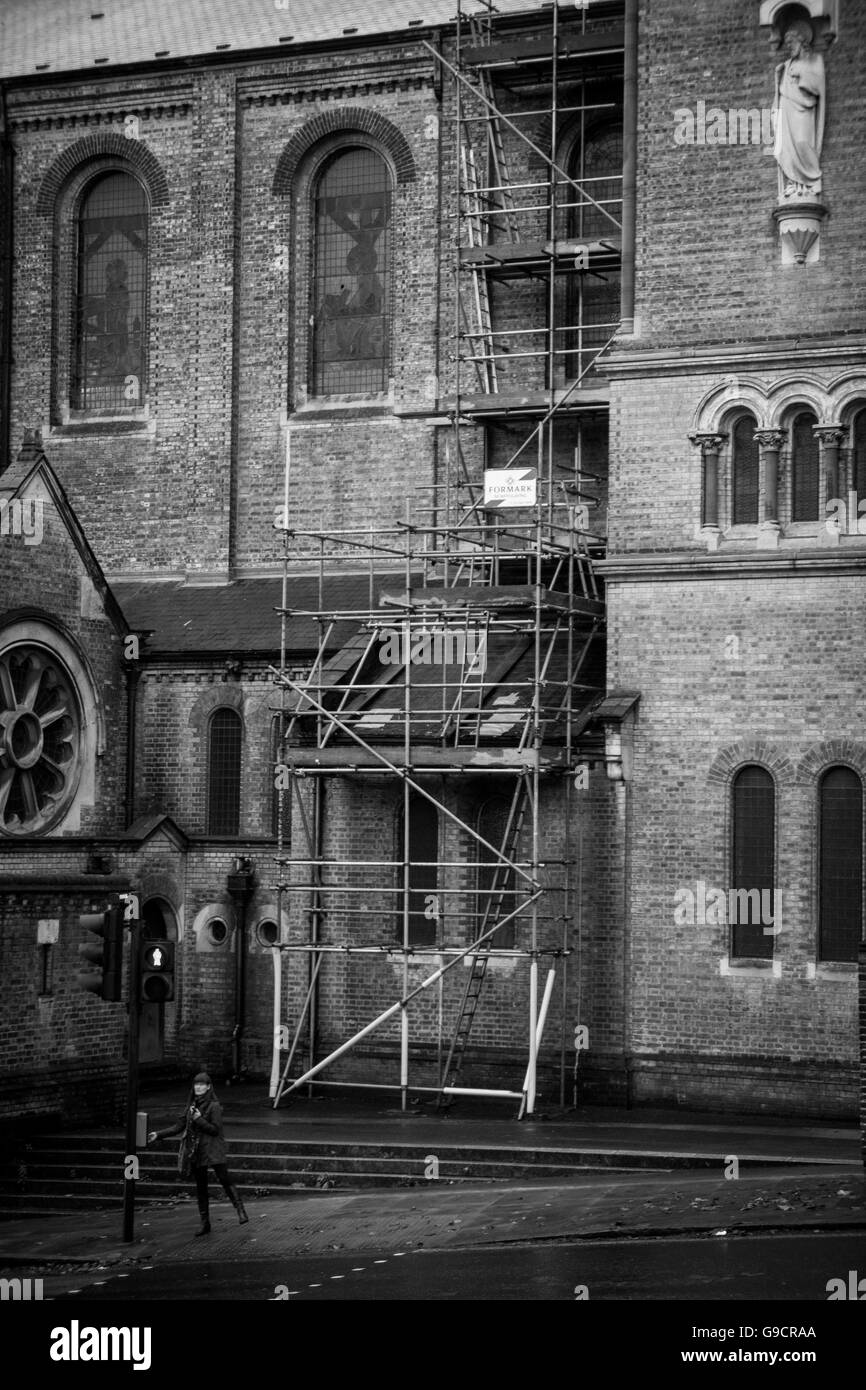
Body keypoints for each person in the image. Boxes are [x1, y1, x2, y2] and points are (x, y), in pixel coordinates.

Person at [148, 1072, 248, 1235]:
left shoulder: (214, 1106)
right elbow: (178, 1127)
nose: (198, 1087)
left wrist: (199, 1119)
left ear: (208, 1087)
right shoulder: (191, 1106)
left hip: (214, 1148)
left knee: (224, 1178)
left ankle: (240, 1210)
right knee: (201, 1187)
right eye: (196, 1084)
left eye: (202, 1084)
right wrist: (158, 1134)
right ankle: (205, 1222)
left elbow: (215, 1130)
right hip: (197, 1150)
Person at [773, 20, 826, 200]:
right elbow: (781, 88)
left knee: (803, 142)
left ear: (802, 41)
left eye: (791, 43)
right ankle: (794, 183)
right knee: (787, 149)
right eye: (787, 44)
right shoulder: (787, 64)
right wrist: (778, 76)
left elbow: (818, 87)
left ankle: (812, 179)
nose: (789, 48)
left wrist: (801, 74)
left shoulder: (815, 59)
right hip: (787, 107)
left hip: (804, 108)